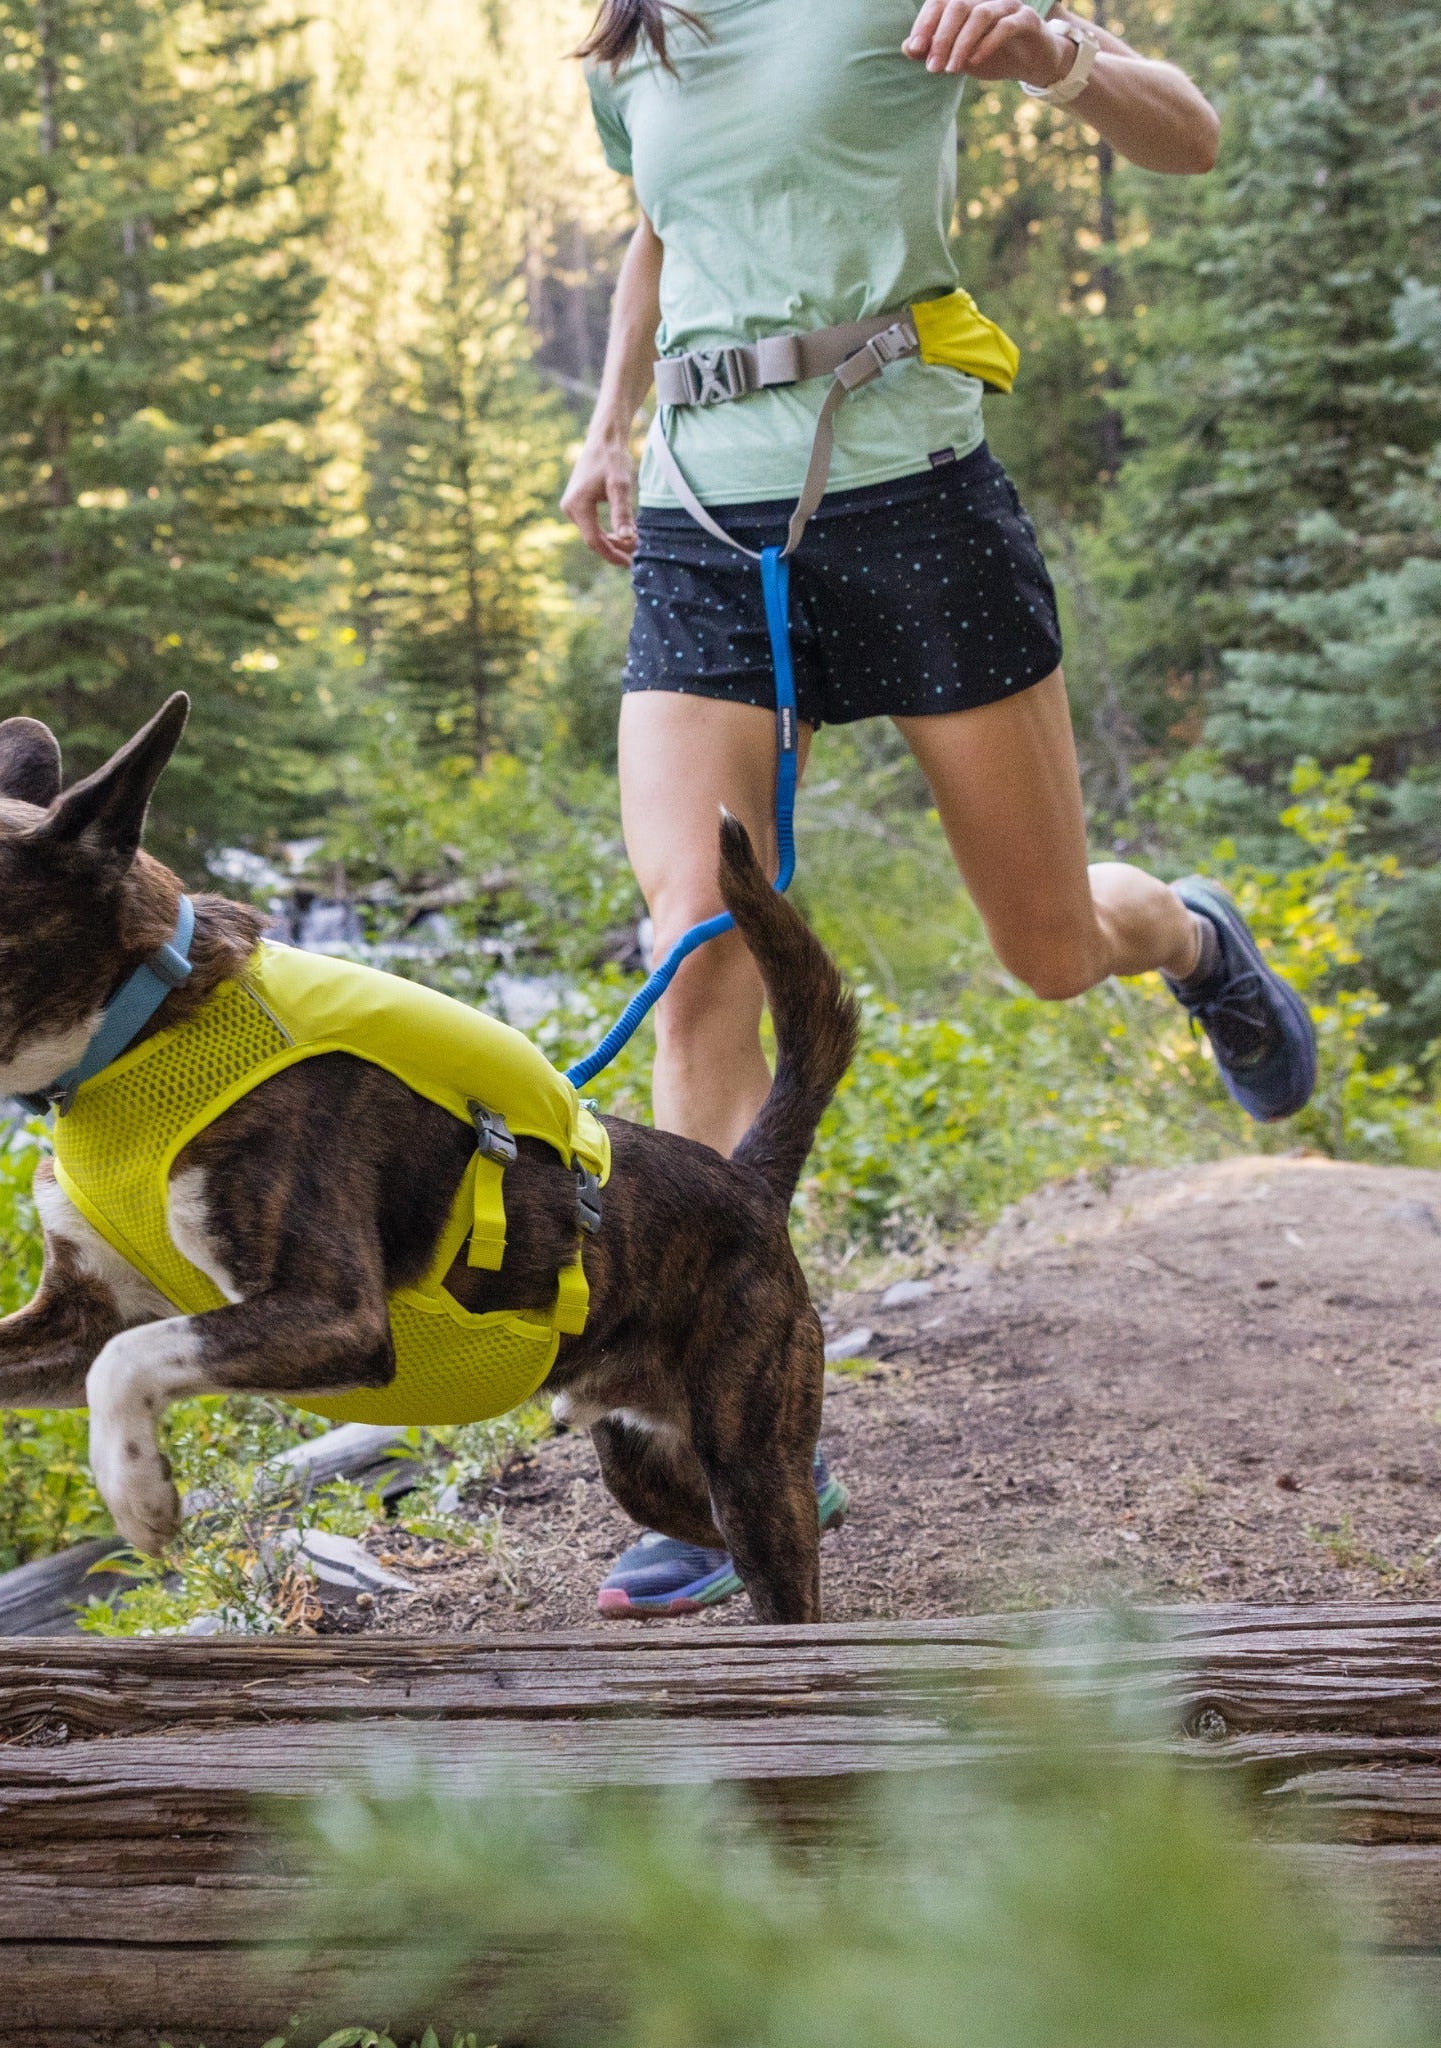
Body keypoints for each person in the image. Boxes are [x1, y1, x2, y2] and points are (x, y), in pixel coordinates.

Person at [564, 0, 1317, 1618]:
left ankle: (1190, 936)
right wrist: (607, 421)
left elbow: (1187, 129)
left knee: (1048, 945)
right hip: (705, 520)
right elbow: (657, 231)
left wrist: (1057, 56)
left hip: (907, 495)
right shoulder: (639, 29)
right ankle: (733, 1440)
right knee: (701, 953)